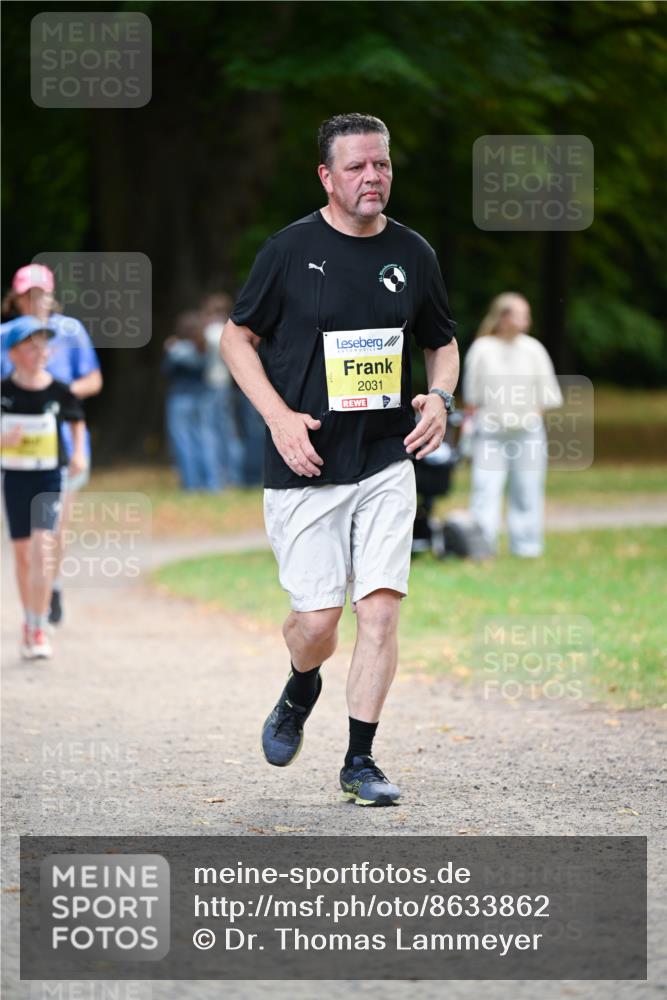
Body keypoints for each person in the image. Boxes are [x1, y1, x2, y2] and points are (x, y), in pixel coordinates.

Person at [220, 113, 459, 806]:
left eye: (381, 164)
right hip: (306, 463)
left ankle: (360, 761)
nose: (372, 177)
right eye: (356, 166)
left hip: (386, 456)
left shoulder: (413, 253)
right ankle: (301, 685)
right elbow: (236, 339)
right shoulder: (288, 250)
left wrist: (441, 396)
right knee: (317, 625)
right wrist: (277, 418)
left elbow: (442, 341)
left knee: (378, 612)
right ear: (327, 176)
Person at [1, 264, 102, 624]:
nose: (35, 301)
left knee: (55, 527)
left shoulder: (69, 331)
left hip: (63, 445)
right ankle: (35, 608)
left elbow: (93, 379)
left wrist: (57, 396)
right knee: (24, 537)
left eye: (41, 294)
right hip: (16, 448)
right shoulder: (6, 336)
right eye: (28, 296)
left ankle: (51, 587)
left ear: (51, 295)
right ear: (15, 299)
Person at [1, 316, 86, 659]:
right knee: (22, 555)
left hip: (50, 476)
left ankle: (39, 626)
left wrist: (78, 453)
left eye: (43, 347)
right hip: (14, 478)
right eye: (30, 347)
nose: (39, 353)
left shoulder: (59, 390)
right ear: (13, 353)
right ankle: (29, 619)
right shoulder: (4, 392)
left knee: (42, 547)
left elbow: (76, 420)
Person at [462, 292, 563, 557]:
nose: (526, 321)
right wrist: (469, 432)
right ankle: (483, 545)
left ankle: (527, 547)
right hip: (490, 433)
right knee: (485, 489)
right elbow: (472, 398)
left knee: (528, 489)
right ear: (503, 317)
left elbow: (546, 393)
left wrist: (530, 419)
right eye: (520, 315)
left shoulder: (533, 349)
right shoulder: (482, 349)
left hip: (527, 433)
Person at [162, 310, 221, 491]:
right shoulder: (204, 347)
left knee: (183, 441)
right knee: (205, 439)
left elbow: (166, 371)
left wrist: (168, 350)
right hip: (202, 398)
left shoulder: (177, 349)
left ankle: (191, 483)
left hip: (180, 398)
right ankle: (212, 483)